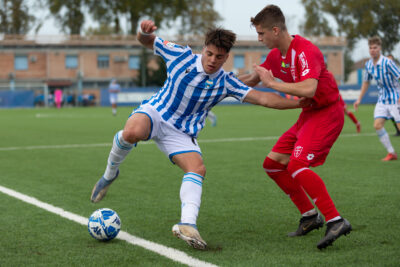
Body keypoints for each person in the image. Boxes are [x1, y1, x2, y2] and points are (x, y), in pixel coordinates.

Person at [90, 19, 309, 250]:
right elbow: (146, 41)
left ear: (227, 57)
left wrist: (301, 103)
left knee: (197, 169)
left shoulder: (226, 82)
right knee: (132, 132)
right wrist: (143, 32)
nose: (213, 60)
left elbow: (263, 98)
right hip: (156, 113)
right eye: (210, 53)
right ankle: (109, 174)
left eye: (219, 57)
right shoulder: (180, 55)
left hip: (182, 132)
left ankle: (188, 225)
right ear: (203, 48)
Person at [239, 5, 352, 249]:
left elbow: (309, 88)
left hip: (328, 113)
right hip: (309, 114)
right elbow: (251, 79)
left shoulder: (305, 51)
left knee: (297, 165)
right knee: (272, 165)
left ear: (276, 30)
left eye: (261, 33)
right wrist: (217, 82)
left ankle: (336, 220)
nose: (259, 38)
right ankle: (310, 216)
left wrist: (273, 84)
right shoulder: (274, 56)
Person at [354, 36, 400, 161]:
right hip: (382, 99)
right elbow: (366, 82)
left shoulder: (388, 62)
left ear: (380, 49)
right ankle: (392, 153)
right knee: (377, 125)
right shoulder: (368, 64)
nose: (372, 50)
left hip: (395, 98)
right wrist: (359, 99)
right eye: (370, 48)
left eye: (375, 47)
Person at [386, 54, 400, 136]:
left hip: (398, 96)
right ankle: (398, 130)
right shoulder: (385, 73)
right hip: (390, 97)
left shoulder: (396, 72)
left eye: (390, 60)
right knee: (391, 115)